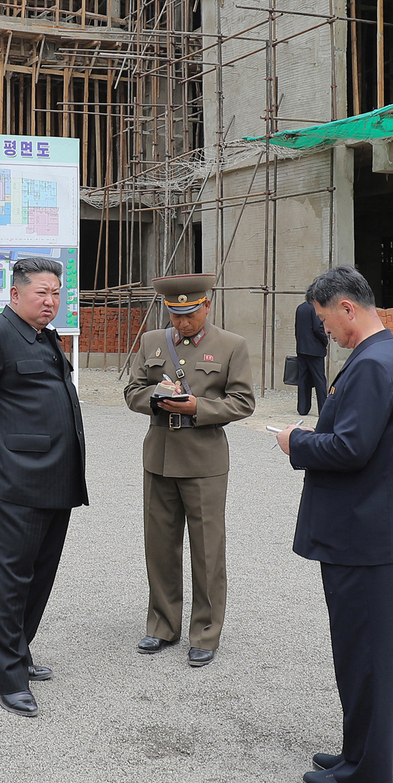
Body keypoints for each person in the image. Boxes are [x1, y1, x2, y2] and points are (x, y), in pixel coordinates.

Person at [274, 265, 393, 783]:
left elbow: (351, 448)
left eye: (324, 319)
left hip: (366, 538)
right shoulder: (376, 357)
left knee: (369, 660)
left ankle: (370, 776)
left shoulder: (374, 365)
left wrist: (297, 442)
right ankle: (357, 752)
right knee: (357, 655)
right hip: (366, 533)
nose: (324, 330)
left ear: (347, 308)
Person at [0, 255, 86, 717]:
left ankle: (10, 655)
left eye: (55, 293)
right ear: (15, 294)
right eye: (40, 292)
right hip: (11, 479)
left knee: (39, 576)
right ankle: (6, 679)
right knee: (10, 579)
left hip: (55, 477)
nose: (50, 301)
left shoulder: (47, 338)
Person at [121, 273, 255, 667]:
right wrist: (156, 399)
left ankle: (206, 632)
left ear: (206, 306)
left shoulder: (231, 346)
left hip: (204, 461)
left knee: (207, 549)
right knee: (159, 546)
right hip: (159, 456)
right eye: (175, 314)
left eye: (190, 314)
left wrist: (198, 407)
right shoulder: (151, 342)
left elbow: (243, 402)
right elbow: (132, 392)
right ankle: (162, 625)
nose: (182, 322)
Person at [293, 297, 329, 416]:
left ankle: (303, 408)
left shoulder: (300, 308)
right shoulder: (315, 309)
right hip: (315, 350)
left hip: (302, 348)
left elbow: (296, 328)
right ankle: (323, 408)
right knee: (319, 379)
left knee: (303, 379)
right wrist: (325, 341)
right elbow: (318, 328)